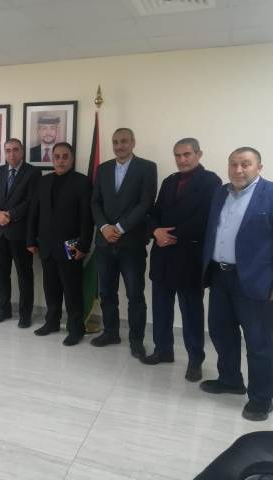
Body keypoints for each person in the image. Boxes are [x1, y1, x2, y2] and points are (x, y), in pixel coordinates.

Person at [200, 146, 273, 421]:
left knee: (258, 342)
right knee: (221, 332)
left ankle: (261, 399)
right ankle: (230, 380)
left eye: (246, 164)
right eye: (233, 164)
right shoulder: (221, 193)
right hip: (220, 275)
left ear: (259, 167)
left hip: (256, 281)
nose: (238, 170)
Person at [143, 138, 221, 381]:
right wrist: (155, 231)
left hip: (189, 257)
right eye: (177, 155)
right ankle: (163, 350)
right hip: (162, 256)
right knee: (161, 308)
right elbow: (154, 213)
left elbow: (205, 220)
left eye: (187, 154)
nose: (182, 159)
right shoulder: (169, 181)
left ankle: (195, 360)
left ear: (199, 154)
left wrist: (169, 235)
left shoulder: (211, 181)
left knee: (191, 313)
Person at [90, 128, 157, 359]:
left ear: (133, 142)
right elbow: (95, 202)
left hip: (132, 243)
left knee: (135, 295)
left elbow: (145, 203)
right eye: (116, 142)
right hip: (104, 243)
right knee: (106, 292)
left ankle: (136, 340)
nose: (119, 146)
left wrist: (118, 228)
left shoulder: (147, 168)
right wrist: (104, 227)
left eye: (124, 141)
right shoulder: (103, 169)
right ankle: (111, 333)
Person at [27, 142, 93, 345]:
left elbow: (87, 217)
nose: (61, 160)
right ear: (52, 159)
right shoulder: (44, 181)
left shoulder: (82, 182)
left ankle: (76, 328)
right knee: (51, 287)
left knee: (72, 289)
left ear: (72, 159)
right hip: (46, 244)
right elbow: (34, 212)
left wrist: (83, 245)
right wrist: (30, 239)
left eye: (65, 156)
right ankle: (52, 322)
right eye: (57, 157)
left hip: (71, 244)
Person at [0, 138, 41, 327]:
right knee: (2, 274)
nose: (12, 154)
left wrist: (9, 214)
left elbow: (31, 200)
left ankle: (25, 314)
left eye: (15, 150)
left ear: (22, 151)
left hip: (20, 232)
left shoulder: (33, 172)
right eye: (8, 150)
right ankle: (4, 309)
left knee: (24, 275)